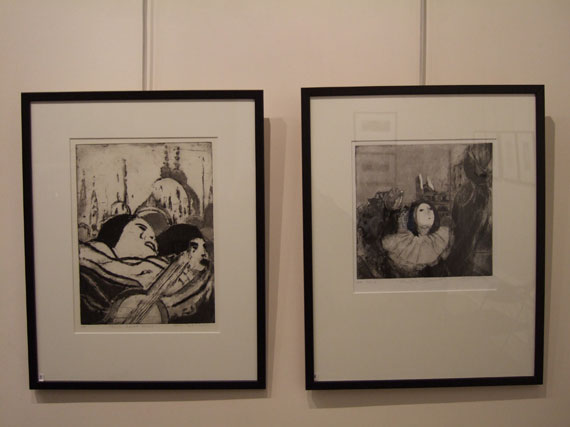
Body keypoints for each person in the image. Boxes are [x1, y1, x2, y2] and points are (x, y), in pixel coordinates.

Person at [79, 214, 168, 324]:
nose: (151, 237)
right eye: (141, 228)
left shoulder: (155, 267)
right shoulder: (85, 254)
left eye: (154, 238)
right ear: (115, 231)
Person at [156, 224, 214, 323]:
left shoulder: (207, 282)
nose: (203, 253)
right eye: (194, 248)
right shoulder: (160, 273)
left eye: (204, 247)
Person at [381, 200, 450, 276]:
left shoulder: (439, 238)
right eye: (421, 210)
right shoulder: (404, 241)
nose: (427, 213)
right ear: (414, 215)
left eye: (430, 209)